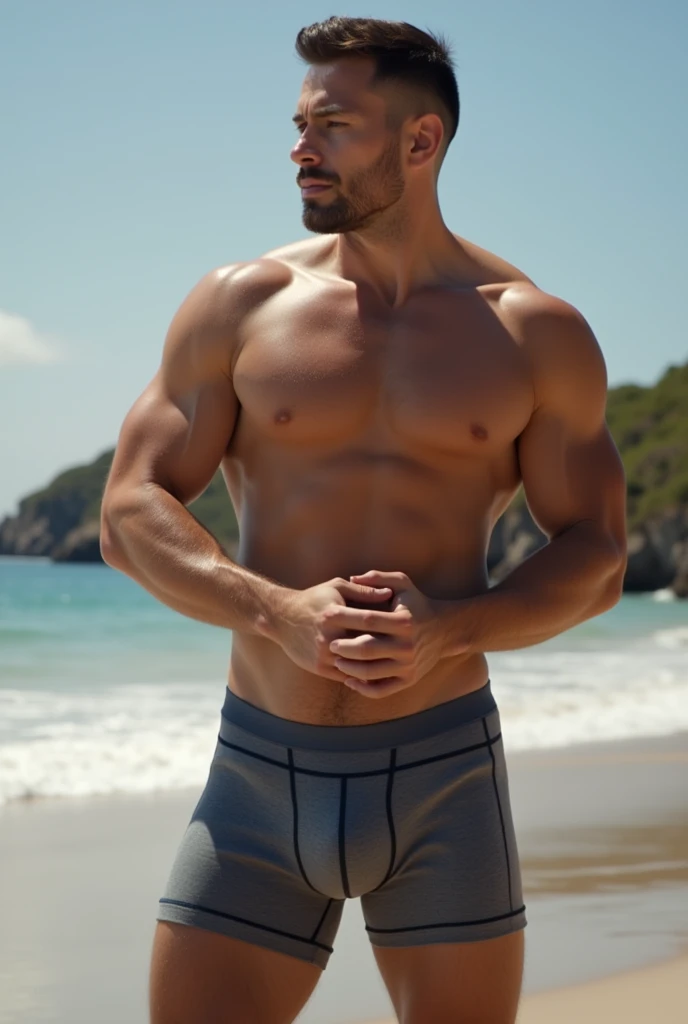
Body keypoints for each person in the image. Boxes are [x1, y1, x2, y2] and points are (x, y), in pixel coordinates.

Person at [100, 16, 627, 1024]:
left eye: (332, 125)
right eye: (298, 124)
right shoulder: (239, 305)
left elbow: (596, 554)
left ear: (419, 142)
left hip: (444, 776)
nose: (301, 148)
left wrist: (449, 630)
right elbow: (127, 515)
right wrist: (274, 613)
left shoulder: (532, 331)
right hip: (257, 773)